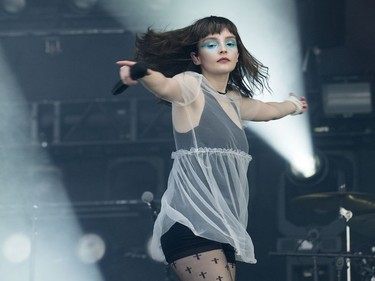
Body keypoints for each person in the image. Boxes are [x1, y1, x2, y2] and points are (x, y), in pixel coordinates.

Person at [117, 15, 307, 281]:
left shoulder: (233, 101)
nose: (222, 49)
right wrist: (142, 72)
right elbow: (165, 85)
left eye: (229, 43)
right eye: (211, 44)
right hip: (190, 226)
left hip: (222, 229)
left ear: (238, 54)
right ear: (196, 58)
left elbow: (268, 110)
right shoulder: (191, 86)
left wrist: (293, 106)